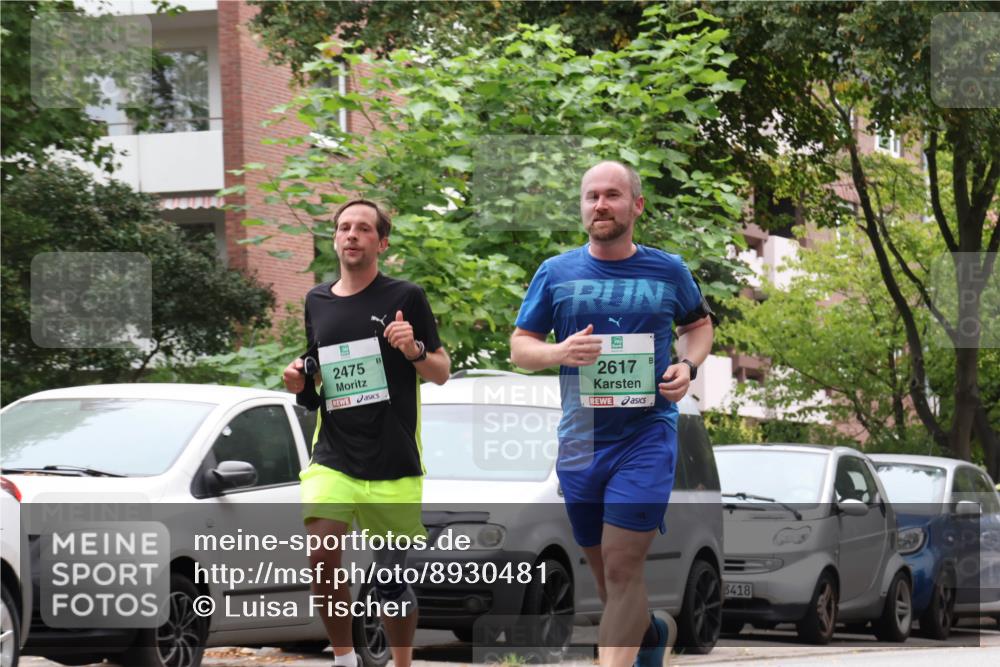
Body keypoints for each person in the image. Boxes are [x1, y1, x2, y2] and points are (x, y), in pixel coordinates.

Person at [510, 161, 715, 667]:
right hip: (581, 442)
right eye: (591, 197)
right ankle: (650, 636)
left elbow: (700, 326)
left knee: (624, 570)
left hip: (646, 436)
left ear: (636, 205)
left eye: (612, 195)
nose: (600, 205)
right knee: (609, 582)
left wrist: (687, 366)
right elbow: (520, 348)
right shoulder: (555, 273)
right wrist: (560, 354)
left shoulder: (669, 270)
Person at [283, 199, 450, 667]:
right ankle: (344, 657)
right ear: (335, 239)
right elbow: (316, 368)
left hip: (392, 458)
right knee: (322, 554)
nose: (351, 234)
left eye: (362, 228)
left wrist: (414, 348)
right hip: (333, 453)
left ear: (382, 242)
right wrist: (300, 376)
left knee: (391, 580)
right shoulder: (316, 300)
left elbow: (440, 371)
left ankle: (401, 662)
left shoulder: (406, 296)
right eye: (343, 228)